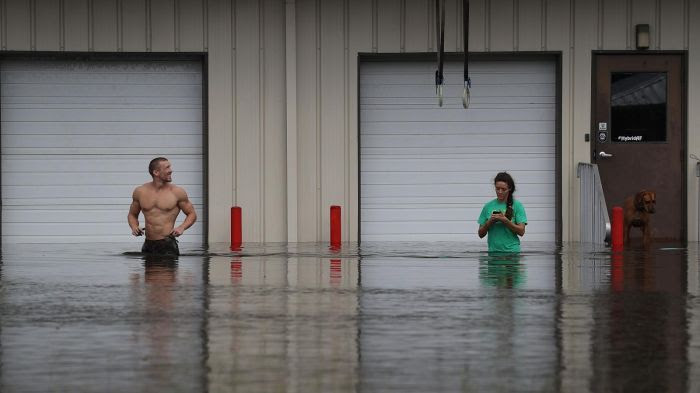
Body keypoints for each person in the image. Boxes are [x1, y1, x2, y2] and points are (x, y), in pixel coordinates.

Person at [128, 157, 197, 255]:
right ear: (156, 172)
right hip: (148, 244)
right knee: (149, 271)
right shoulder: (140, 191)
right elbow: (132, 214)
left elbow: (192, 214)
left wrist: (182, 227)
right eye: (167, 167)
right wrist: (134, 227)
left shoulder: (177, 192)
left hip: (167, 244)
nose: (171, 170)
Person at [477, 172, 527, 252]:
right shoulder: (488, 206)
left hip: (512, 253)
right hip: (493, 253)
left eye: (503, 189)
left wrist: (505, 221)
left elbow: (521, 231)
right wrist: (490, 221)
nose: (500, 192)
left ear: (509, 189)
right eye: (497, 188)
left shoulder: (517, 205)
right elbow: (480, 234)